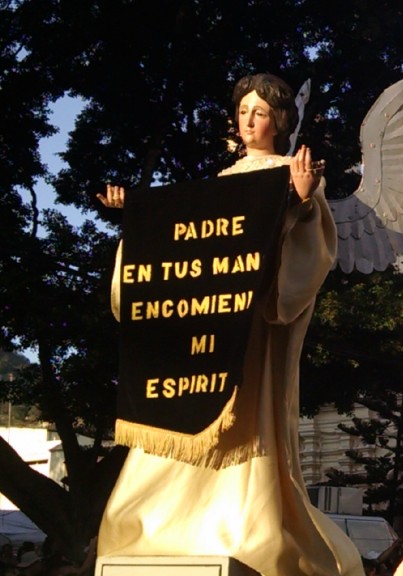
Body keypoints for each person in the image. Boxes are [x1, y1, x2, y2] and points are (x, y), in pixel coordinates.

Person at [96, 73, 361, 576]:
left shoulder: (291, 173)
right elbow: (187, 234)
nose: (249, 121)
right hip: (204, 327)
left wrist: (301, 201)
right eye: (243, 112)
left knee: (245, 424)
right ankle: (156, 531)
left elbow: (310, 252)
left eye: (259, 112)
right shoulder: (220, 182)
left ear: (279, 120)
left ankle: (246, 529)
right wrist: (139, 216)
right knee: (177, 421)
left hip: (249, 333)